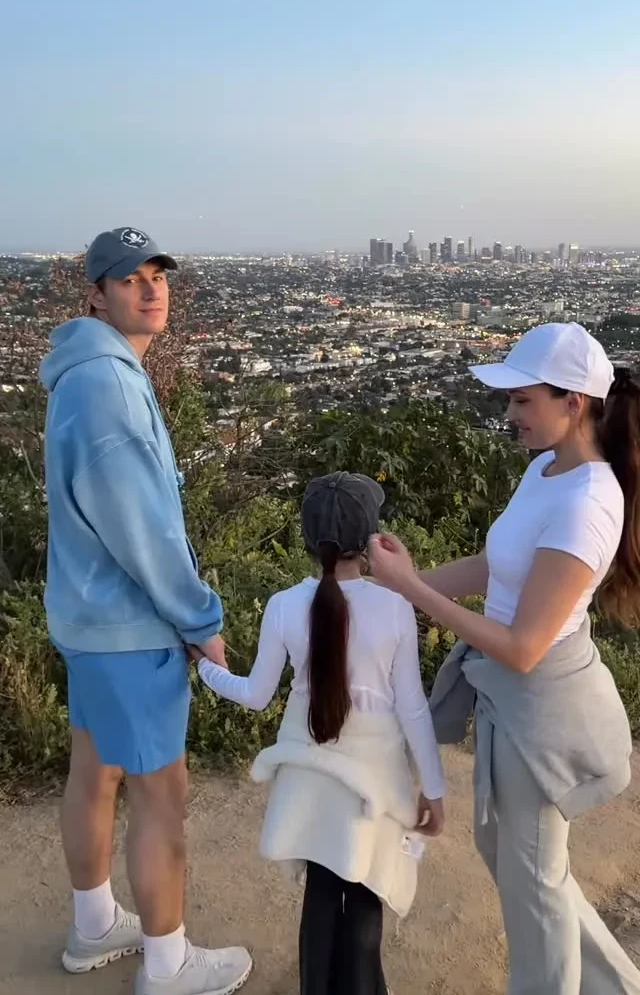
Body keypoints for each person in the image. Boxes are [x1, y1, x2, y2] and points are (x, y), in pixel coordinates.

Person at [368, 321, 640, 995]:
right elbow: (497, 565)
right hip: (510, 697)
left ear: (575, 401)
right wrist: (403, 584)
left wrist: (411, 592)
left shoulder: (587, 503)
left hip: (541, 705)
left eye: (523, 400)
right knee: (518, 862)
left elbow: (523, 647)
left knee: (533, 883)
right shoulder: (547, 470)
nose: (511, 413)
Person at [40, 227, 252, 995]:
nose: (150, 288)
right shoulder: (108, 385)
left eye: (157, 274)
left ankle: (95, 925)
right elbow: (145, 530)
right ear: (96, 295)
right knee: (164, 796)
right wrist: (200, 620)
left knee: (94, 771)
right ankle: (168, 964)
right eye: (129, 278)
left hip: (87, 617)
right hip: (129, 629)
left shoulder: (87, 374)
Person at [191, 472, 446, 995]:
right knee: (367, 885)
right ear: (370, 539)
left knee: (323, 888)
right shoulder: (395, 606)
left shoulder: (284, 605)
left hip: (310, 773)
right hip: (374, 778)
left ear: (307, 539)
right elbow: (413, 708)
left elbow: (256, 694)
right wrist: (434, 789)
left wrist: (206, 669)